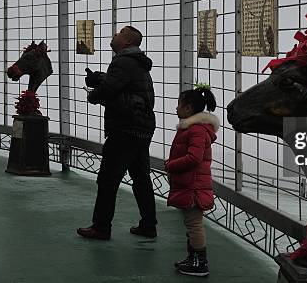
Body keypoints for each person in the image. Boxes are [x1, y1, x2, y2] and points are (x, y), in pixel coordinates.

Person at [77, 25, 157, 240]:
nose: (114, 34)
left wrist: (93, 94)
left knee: (108, 179)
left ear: (128, 41)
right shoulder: (137, 63)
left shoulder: (123, 61)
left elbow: (109, 90)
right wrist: (102, 78)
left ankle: (101, 227)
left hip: (125, 127)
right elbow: (121, 85)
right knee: (141, 178)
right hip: (142, 127)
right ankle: (148, 224)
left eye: (120, 33)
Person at [165, 84, 218, 277]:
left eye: (178, 104)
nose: (176, 108)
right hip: (191, 184)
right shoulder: (194, 129)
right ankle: (193, 258)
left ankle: (200, 263)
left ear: (188, 108)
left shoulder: (196, 130)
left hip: (193, 186)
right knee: (191, 223)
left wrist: (171, 165)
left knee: (194, 224)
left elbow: (194, 158)